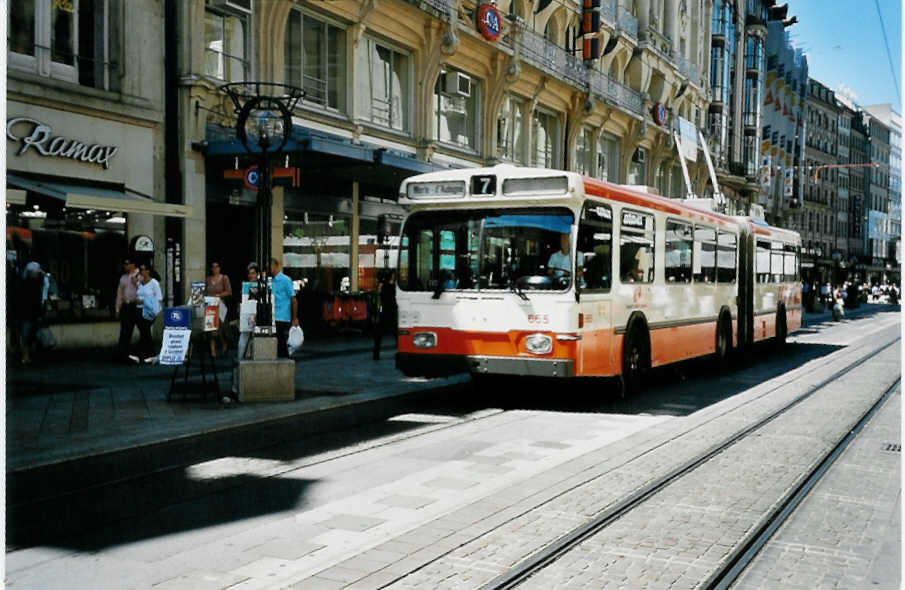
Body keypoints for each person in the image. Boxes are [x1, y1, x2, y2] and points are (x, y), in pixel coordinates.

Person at [270, 257, 298, 358]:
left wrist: (294, 318)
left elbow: (293, 299)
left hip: (282, 315)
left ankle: (284, 359)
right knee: (277, 340)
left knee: (281, 339)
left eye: (271, 266)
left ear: (276, 266)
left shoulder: (285, 280)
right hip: (273, 314)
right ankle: (281, 358)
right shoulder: (271, 281)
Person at [135, 263, 163, 363]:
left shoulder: (154, 283)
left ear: (148, 271)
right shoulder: (139, 283)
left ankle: (138, 354)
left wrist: (144, 301)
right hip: (139, 310)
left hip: (149, 310)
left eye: (142, 270)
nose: (141, 272)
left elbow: (159, 298)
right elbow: (136, 294)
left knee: (145, 330)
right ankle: (151, 354)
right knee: (145, 332)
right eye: (140, 270)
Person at [19, 261, 45, 364]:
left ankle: (27, 355)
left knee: (28, 335)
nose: (37, 274)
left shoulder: (29, 284)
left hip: (28, 314)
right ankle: (26, 355)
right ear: (31, 272)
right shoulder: (34, 285)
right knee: (28, 335)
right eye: (35, 272)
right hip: (29, 314)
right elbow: (35, 301)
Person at [115, 258, 140, 363]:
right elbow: (119, 294)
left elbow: (145, 290)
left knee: (141, 330)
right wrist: (117, 308)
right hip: (126, 306)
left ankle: (142, 353)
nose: (125, 266)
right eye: (124, 264)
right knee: (124, 331)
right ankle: (122, 354)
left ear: (133, 265)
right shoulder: (123, 278)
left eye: (127, 264)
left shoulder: (139, 275)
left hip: (136, 306)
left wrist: (136, 282)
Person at [206, 261, 232, 359]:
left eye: (217, 266)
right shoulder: (208, 279)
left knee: (221, 329)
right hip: (210, 306)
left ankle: (224, 344)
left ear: (219, 268)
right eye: (213, 267)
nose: (215, 268)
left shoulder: (224, 278)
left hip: (220, 305)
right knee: (211, 328)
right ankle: (212, 351)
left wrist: (219, 295)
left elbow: (229, 292)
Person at [373, 271, 397, 361]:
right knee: (396, 334)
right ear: (391, 277)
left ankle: (376, 354)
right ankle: (402, 351)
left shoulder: (383, 287)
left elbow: (381, 301)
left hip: (384, 312)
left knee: (379, 335)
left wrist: (379, 311)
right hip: (391, 313)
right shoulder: (392, 287)